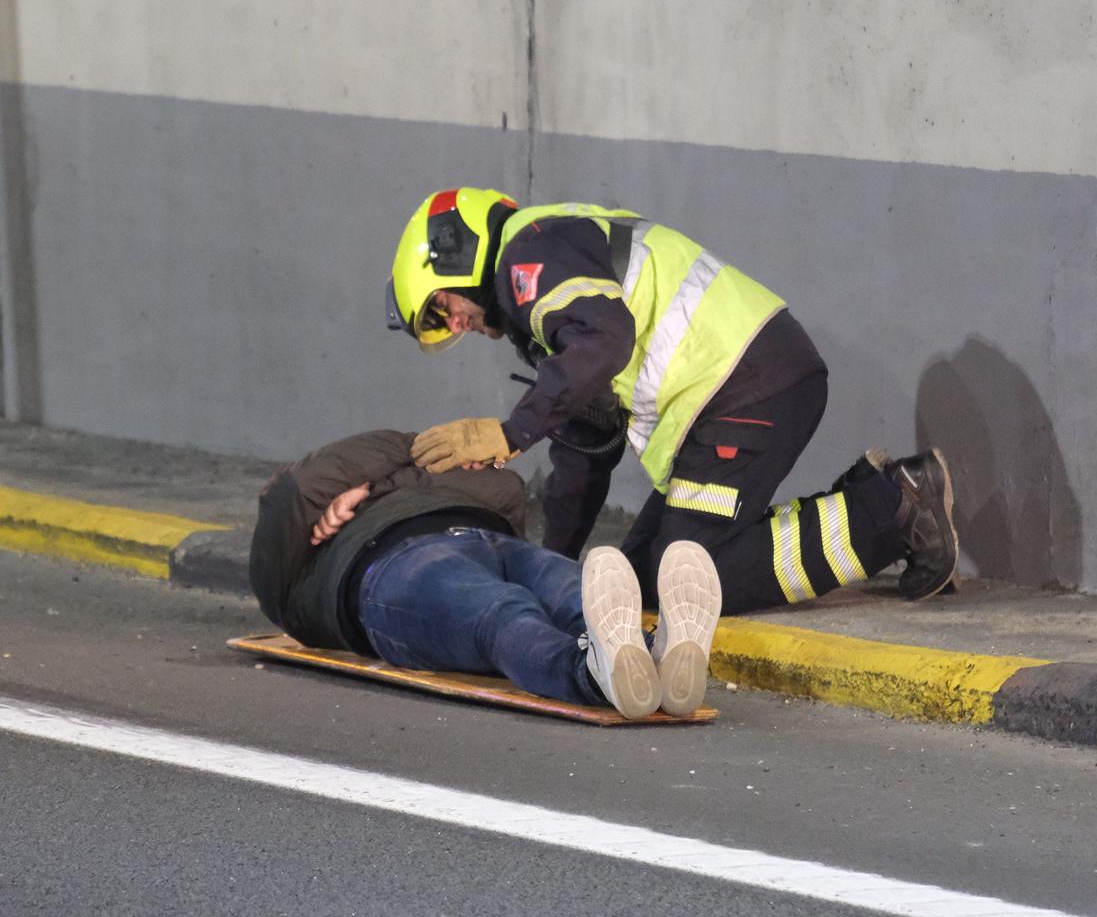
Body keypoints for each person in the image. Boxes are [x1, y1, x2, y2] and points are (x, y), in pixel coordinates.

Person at [382, 189, 958, 616]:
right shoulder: (543, 278)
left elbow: (606, 339)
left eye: (440, 307)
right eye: (439, 325)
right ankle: (878, 494)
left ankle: (893, 512)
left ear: (455, 249)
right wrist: (547, 568)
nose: (453, 323)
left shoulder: (529, 256)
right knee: (635, 584)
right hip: (733, 390)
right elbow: (585, 447)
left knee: (689, 578)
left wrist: (511, 433)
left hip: (747, 384)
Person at [249, 429, 723, 719]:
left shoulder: (392, 484)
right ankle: (593, 677)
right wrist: (377, 478)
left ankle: (655, 657)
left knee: (572, 590)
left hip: (495, 541)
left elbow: (501, 485)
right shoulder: (295, 582)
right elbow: (294, 488)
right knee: (503, 615)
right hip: (390, 569)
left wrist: (373, 485)